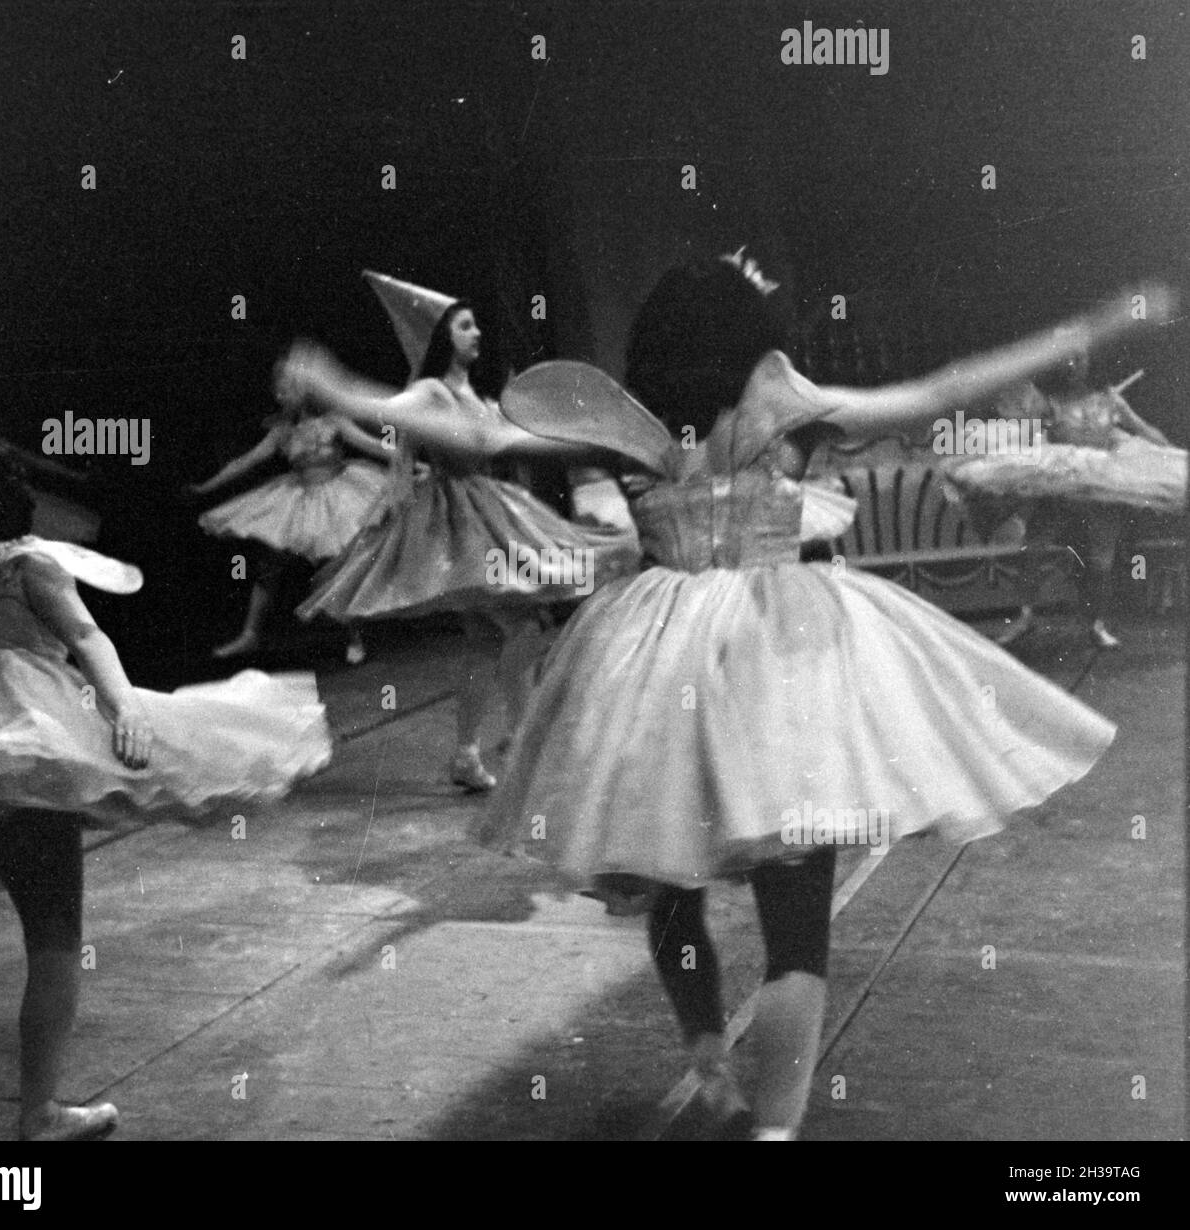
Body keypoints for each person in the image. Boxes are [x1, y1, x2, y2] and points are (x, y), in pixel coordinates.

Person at [392, 254, 1167, 1141]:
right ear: (747, 329)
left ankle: (710, 1065)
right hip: (781, 657)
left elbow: (488, 439)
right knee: (796, 924)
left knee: (673, 881)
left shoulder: (626, 422)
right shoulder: (786, 403)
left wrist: (348, 393)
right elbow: (938, 390)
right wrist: (1087, 329)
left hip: (654, 659)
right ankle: (775, 1131)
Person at [0, 424, 332, 1141]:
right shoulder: (25, 563)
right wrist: (125, 709)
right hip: (32, 749)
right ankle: (39, 1113)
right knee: (55, 929)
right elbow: (90, 638)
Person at [292, 271, 640, 791]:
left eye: (476, 326)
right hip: (459, 525)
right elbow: (388, 411)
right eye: (465, 326)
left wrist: (597, 436)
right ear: (442, 338)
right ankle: (524, 742)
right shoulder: (430, 391)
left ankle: (470, 752)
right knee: (523, 626)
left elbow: (509, 438)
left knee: (487, 640)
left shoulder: (477, 398)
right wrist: (336, 389)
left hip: (486, 512)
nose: (477, 333)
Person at [947, 354, 1183, 650]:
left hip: (1101, 489)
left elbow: (1144, 430)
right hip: (1058, 491)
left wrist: (1174, 456)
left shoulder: (1109, 401)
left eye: (1079, 359)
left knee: (1100, 562)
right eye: (1067, 359)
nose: (1072, 365)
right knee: (1032, 553)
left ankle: (1095, 625)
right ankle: (1026, 617)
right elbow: (1026, 439)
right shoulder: (1049, 404)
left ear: (1088, 364)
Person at [192, 396, 393, 663]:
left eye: (291, 387)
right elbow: (245, 462)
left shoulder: (333, 421)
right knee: (270, 563)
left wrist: (410, 462)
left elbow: (372, 445)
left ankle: (355, 635)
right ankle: (250, 634)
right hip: (300, 499)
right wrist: (207, 487)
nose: (285, 395)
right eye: (282, 390)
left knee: (337, 567)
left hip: (340, 496)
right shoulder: (282, 431)